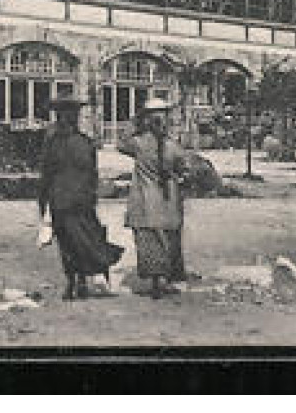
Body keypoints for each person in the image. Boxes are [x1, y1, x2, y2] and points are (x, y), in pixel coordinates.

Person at [37, 94, 123, 300]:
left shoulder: (52, 144)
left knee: (68, 243)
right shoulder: (84, 143)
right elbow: (92, 175)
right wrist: (91, 197)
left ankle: (73, 282)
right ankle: (80, 281)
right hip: (79, 200)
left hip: (63, 201)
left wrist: (43, 204)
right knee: (81, 240)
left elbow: (45, 175)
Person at [117, 97, 188, 298]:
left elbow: (121, 143)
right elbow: (185, 168)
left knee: (149, 241)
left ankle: (155, 282)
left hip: (145, 201)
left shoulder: (139, 144)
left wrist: (135, 121)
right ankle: (166, 279)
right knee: (168, 240)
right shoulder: (172, 146)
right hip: (168, 200)